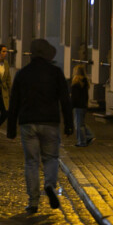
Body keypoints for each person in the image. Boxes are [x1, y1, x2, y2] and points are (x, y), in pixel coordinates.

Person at [7, 39, 73, 214]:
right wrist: (69, 124)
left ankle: (33, 201)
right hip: (50, 122)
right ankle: (50, 185)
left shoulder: (23, 74)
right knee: (51, 158)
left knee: (31, 162)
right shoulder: (55, 73)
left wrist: (11, 128)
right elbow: (65, 100)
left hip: (28, 122)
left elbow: (14, 102)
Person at [71, 64, 95, 147]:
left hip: (77, 106)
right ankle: (89, 136)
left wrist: (71, 105)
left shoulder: (76, 83)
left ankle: (81, 142)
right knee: (81, 123)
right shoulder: (84, 82)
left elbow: (74, 97)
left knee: (78, 125)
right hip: (83, 106)